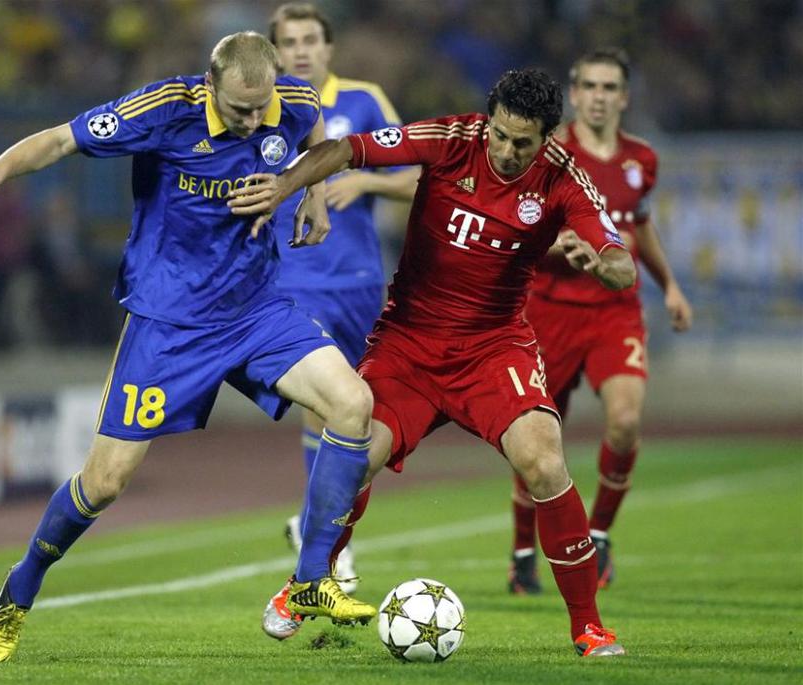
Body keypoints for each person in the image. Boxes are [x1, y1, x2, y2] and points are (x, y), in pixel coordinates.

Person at [0, 32, 379, 664]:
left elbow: (318, 139)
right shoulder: (164, 109)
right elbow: (60, 139)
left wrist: (311, 193)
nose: (254, 121)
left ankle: (310, 579)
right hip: (169, 325)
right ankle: (20, 587)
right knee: (105, 483)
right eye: (240, 109)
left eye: (262, 108)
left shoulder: (294, 101)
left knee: (353, 404)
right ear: (210, 83)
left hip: (256, 310)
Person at [230, 68, 634, 657]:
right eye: (500, 134)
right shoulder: (450, 139)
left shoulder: (562, 176)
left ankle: (588, 627)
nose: (506, 151)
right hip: (409, 344)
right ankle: (305, 585)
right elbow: (345, 149)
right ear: (489, 119)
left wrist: (606, 265)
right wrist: (286, 186)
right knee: (354, 460)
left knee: (545, 462)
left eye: (523, 143)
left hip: (493, 348)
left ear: (547, 137)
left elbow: (618, 259)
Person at [507, 49, 693, 596]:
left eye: (609, 87)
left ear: (624, 97)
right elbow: (517, 224)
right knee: (538, 440)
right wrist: (560, 245)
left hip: (615, 310)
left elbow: (639, 224)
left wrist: (670, 283)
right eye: (588, 86)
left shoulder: (642, 159)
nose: (598, 96)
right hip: (550, 310)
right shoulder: (546, 152)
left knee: (626, 421)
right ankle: (523, 552)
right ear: (574, 92)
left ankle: (601, 534)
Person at [263, 2, 420, 638]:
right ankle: (326, 551)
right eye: (289, 41)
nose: (301, 50)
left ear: (329, 48)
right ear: (274, 52)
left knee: (358, 413)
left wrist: (366, 183)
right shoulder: (261, 109)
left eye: (311, 39)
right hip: (292, 279)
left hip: (358, 282)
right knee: (325, 405)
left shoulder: (364, 99)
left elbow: (418, 176)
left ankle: (315, 529)